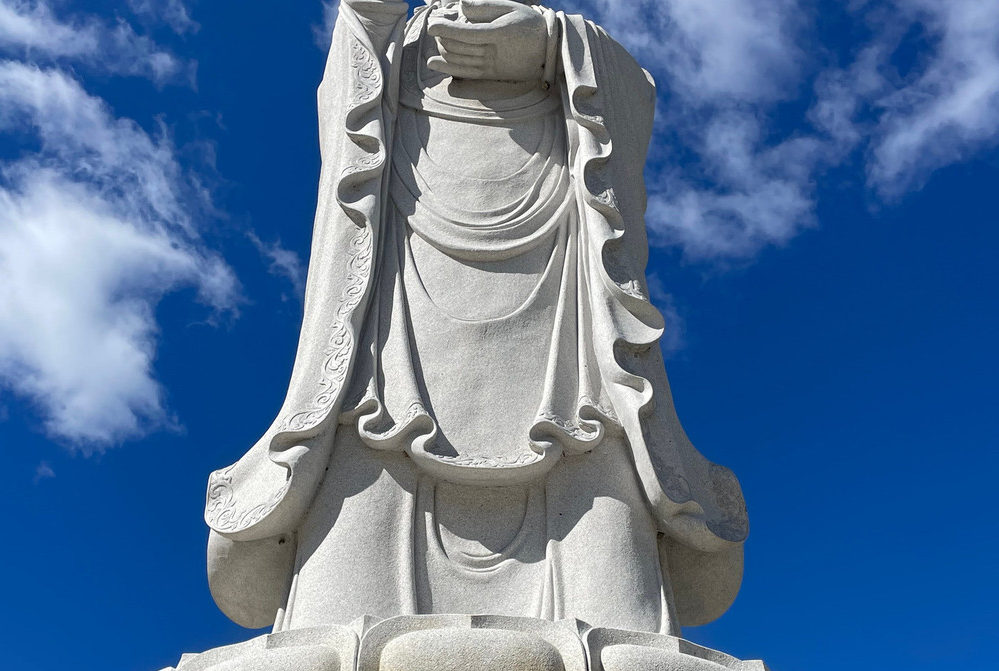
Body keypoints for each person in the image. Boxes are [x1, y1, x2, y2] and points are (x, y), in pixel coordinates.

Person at [204, 0, 748, 634]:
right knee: (366, 438)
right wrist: (371, 21)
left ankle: (600, 579)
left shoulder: (573, 45)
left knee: (596, 436)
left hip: (567, 326)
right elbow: (345, 117)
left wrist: (551, 47)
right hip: (393, 331)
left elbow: (635, 94)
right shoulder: (404, 50)